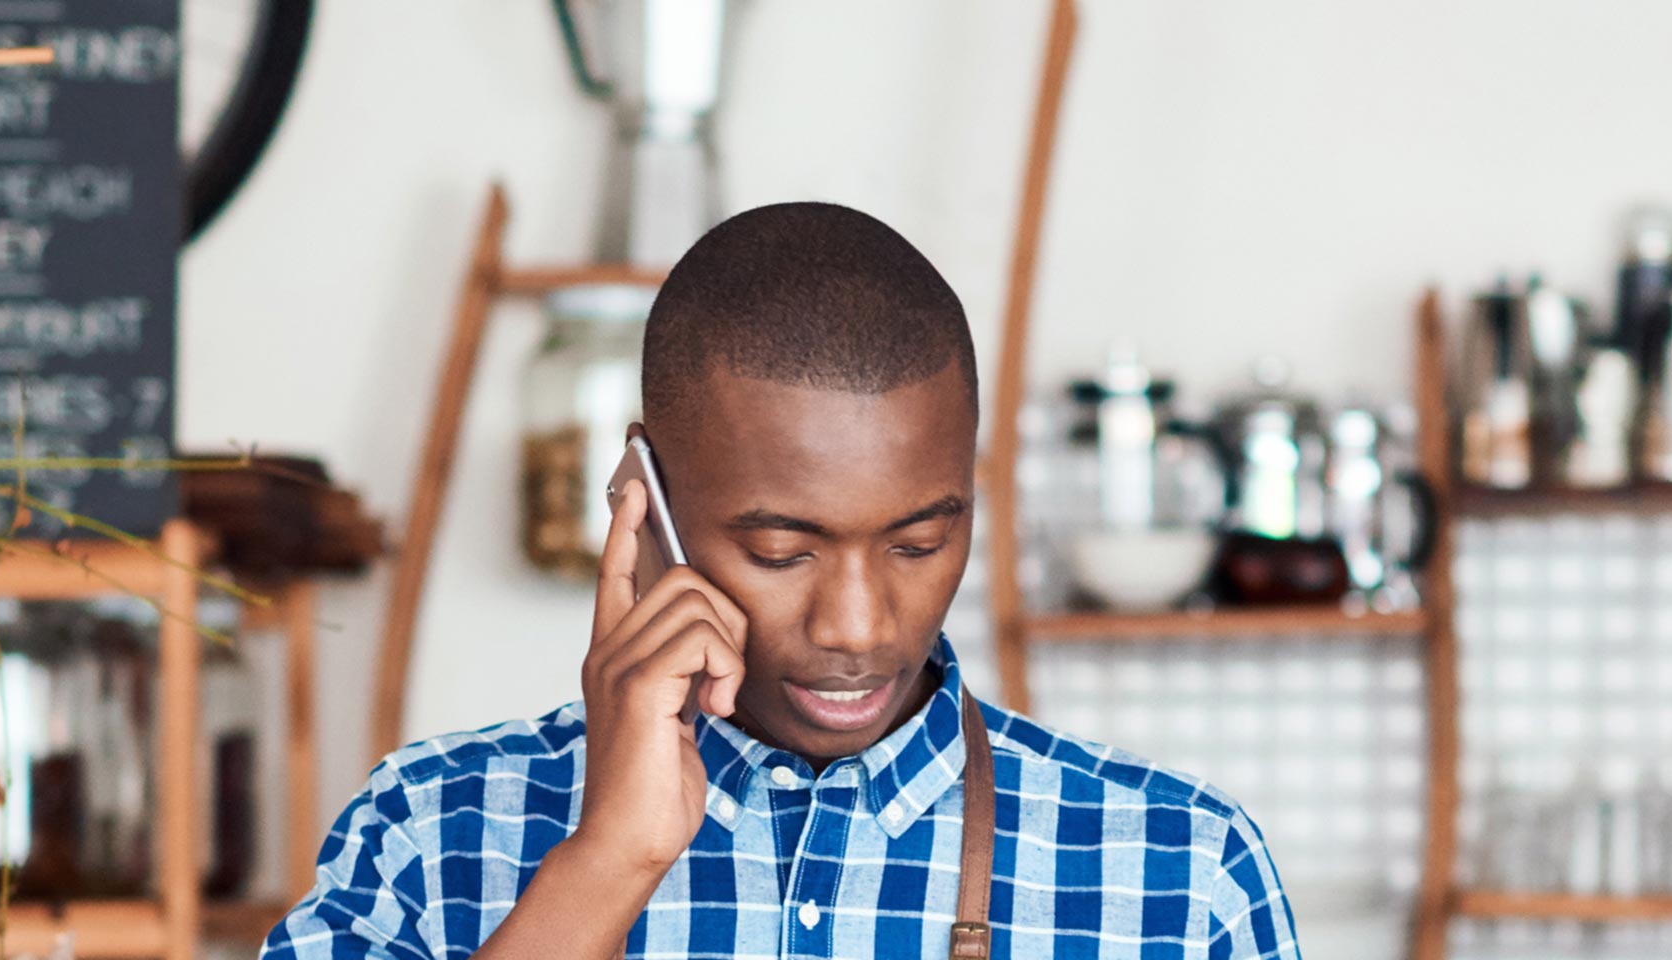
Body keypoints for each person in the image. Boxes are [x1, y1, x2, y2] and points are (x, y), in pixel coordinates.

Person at [264, 202, 1299, 959]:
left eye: (919, 543)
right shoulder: (430, 829)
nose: (857, 626)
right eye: (781, 553)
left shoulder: (1185, 872)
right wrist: (604, 867)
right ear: (643, 498)